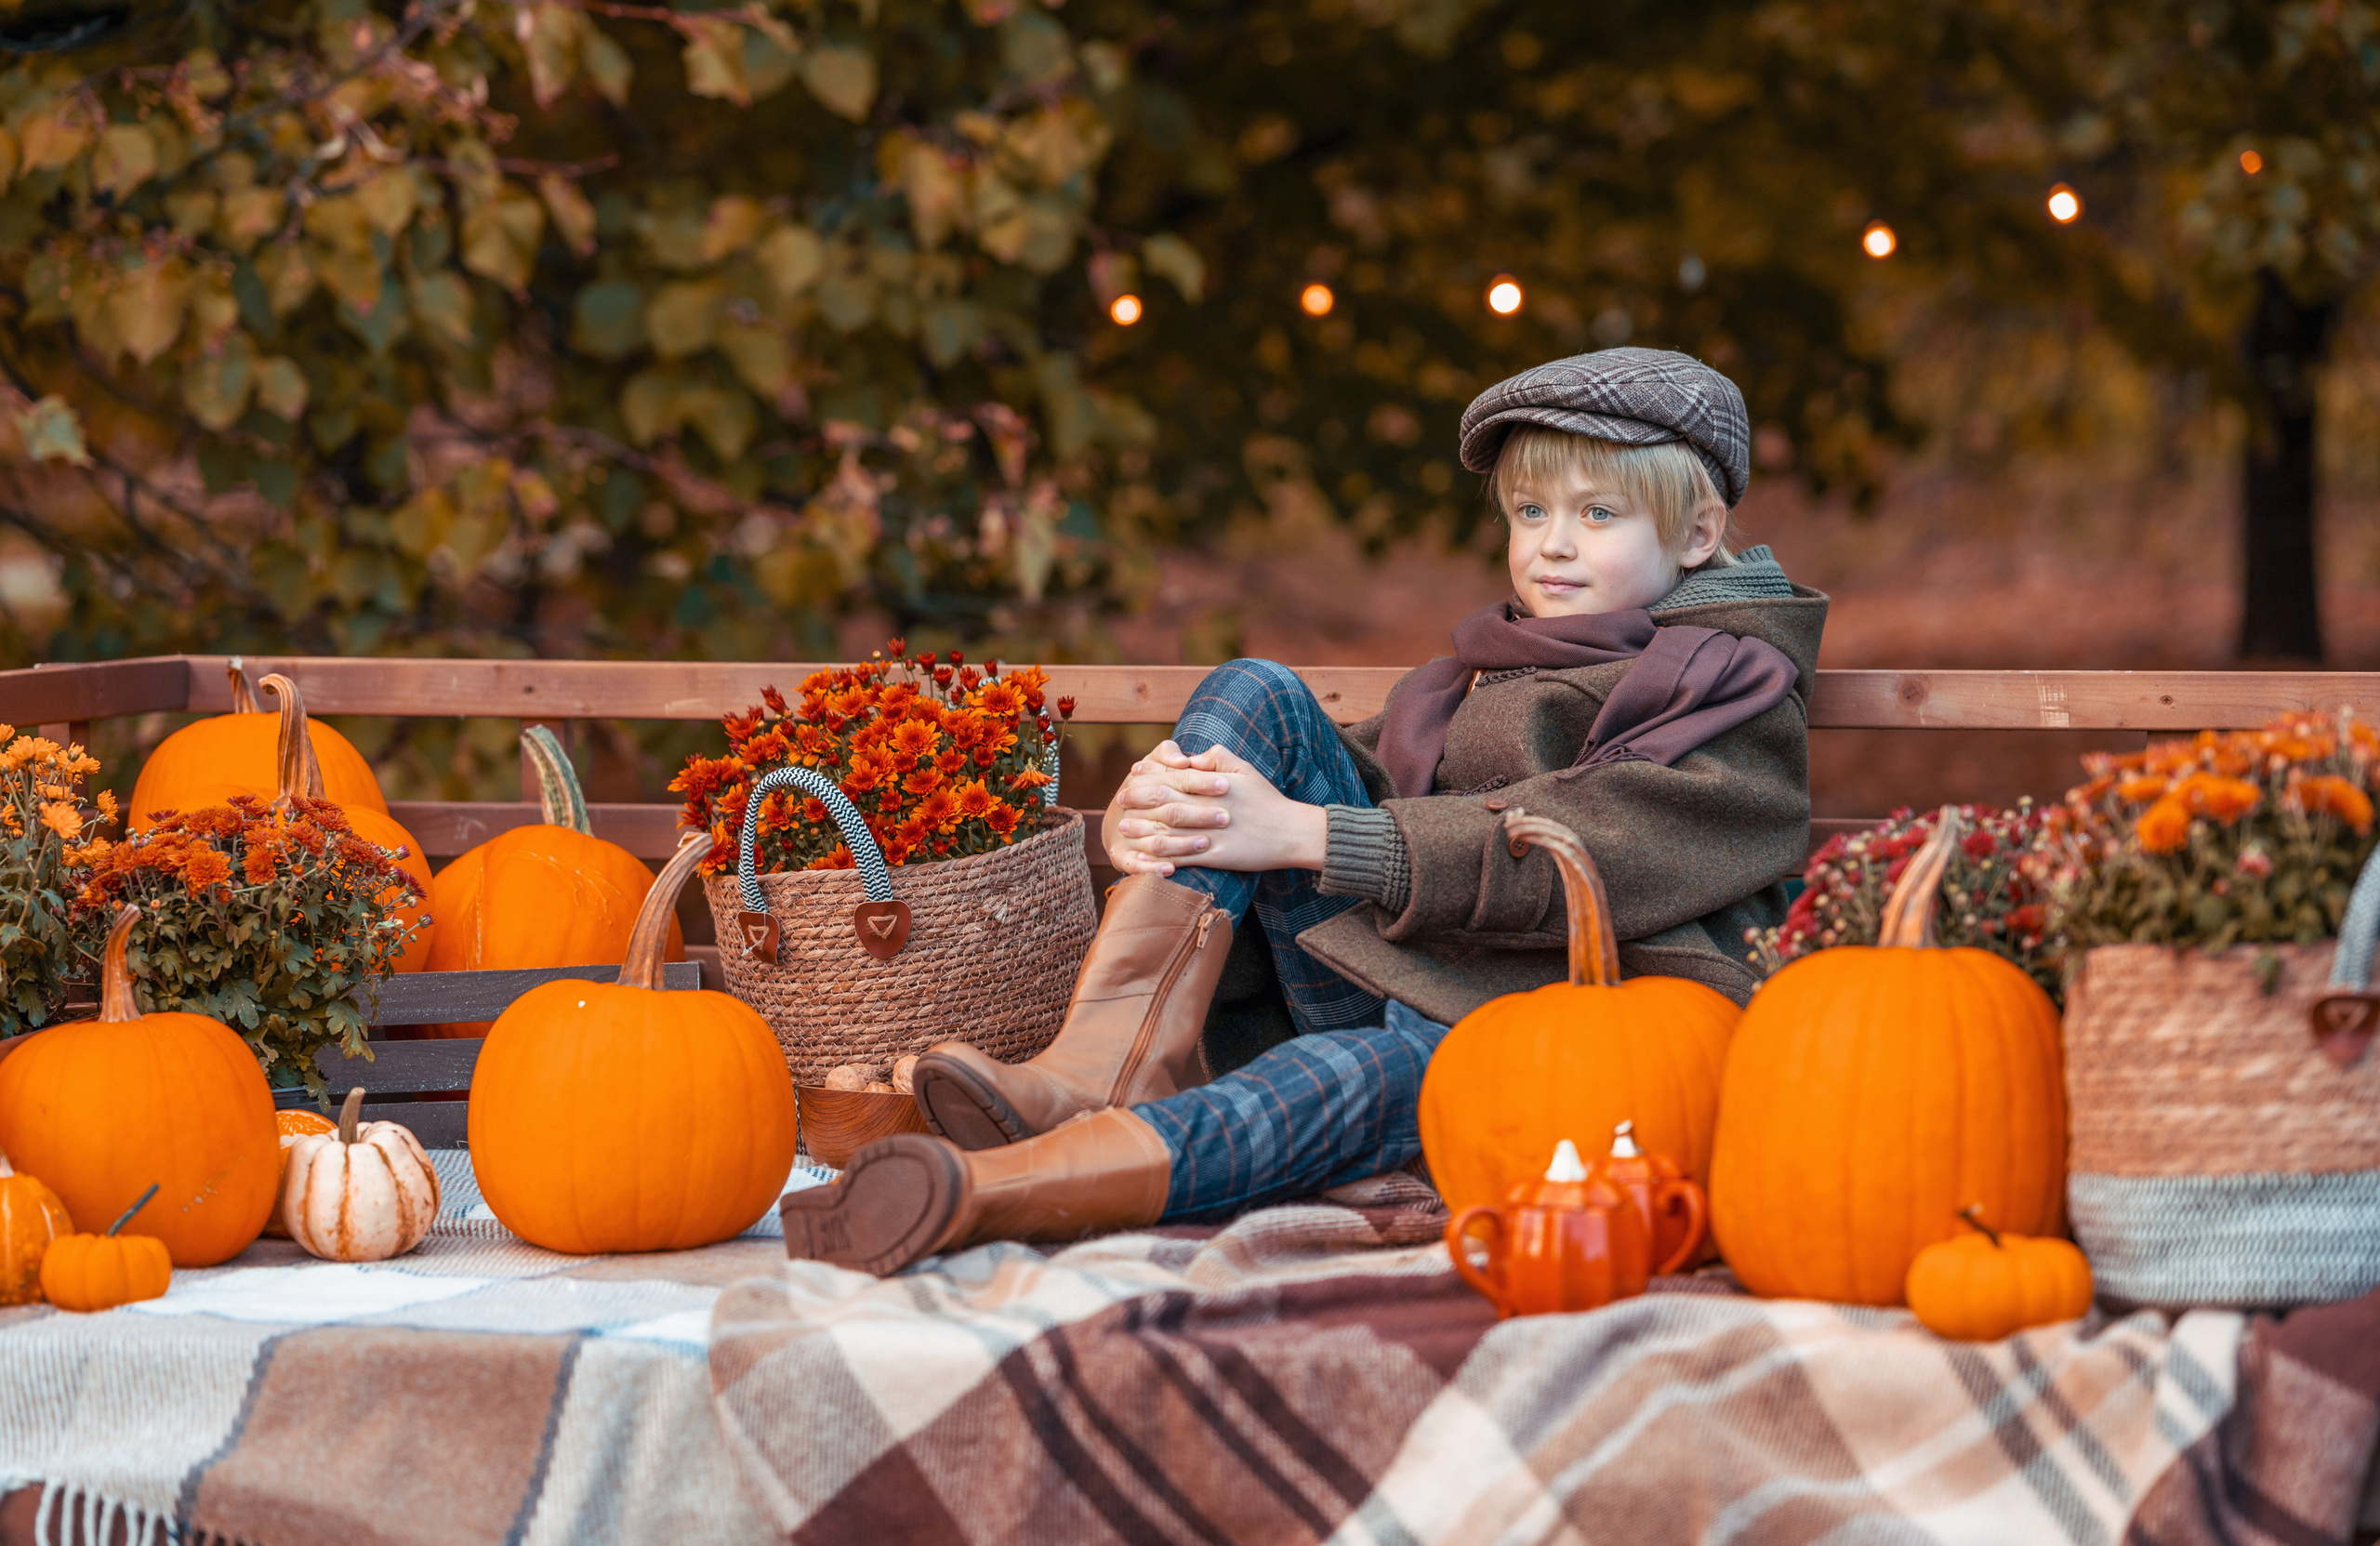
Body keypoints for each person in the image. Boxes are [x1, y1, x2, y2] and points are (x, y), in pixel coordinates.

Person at [783, 347, 1828, 1275]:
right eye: (1529, 512)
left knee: (1334, 1072)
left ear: (1696, 531)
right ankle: (1100, 1062)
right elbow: (1329, 772)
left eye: (1597, 514)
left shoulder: (1732, 702)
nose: (1551, 545)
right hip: (1410, 970)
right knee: (1257, 696)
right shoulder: (1492, 671)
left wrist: (1304, 833)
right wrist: (1147, 816)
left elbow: (1580, 845)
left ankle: (980, 1196)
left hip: (1535, 1053)